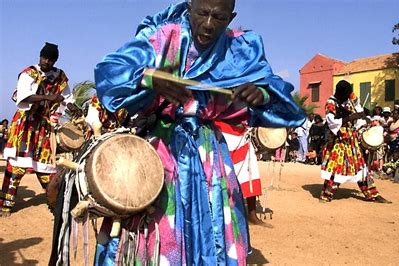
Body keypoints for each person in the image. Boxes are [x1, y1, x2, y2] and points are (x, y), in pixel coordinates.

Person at [81, 1, 306, 265]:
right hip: (160, 152)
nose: (209, 25)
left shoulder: (241, 50)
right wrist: (148, 78)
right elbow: (110, 72)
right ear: (190, 7)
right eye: (203, 13)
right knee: (157, 236)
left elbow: (283, 102)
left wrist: (263, 93)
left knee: (214, 230)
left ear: (231, 17)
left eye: (220, 17)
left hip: (210, 156)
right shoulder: (165, 38)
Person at [0, 42, 79, 217]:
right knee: (16, 166)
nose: (46, 61)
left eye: (50, 59)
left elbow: (67, 98)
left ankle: (56, 204)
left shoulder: (60, 76)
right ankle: (5, 205)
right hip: (24, 126)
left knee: (46, 167)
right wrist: (47, 96)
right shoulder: (29, 73)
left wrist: (74, 108)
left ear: (55, 61)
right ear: (40, 56)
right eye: (44, 58)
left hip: (43, 127)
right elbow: (23, 96)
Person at [319, 80, 390, 203]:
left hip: (351, 140)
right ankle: (326, 194)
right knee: (336, 168)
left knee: (361, 167)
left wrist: (363, 118)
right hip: (338, 141)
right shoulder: (331, 103)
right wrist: (351, 117)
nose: (349, 96)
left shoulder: (348, 101)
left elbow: (358, 111)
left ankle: (372, 194)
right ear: (340, 93)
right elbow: (332, 122)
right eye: (347, 94)